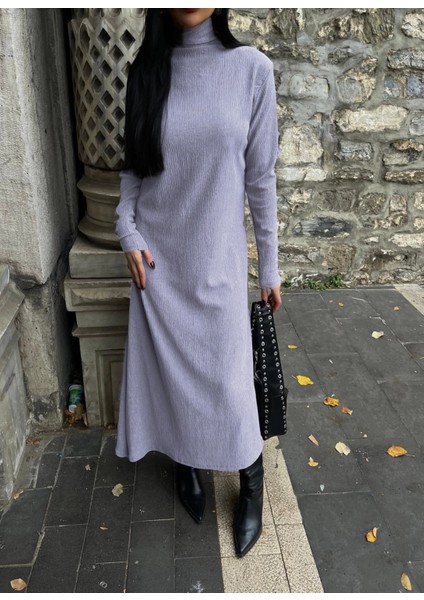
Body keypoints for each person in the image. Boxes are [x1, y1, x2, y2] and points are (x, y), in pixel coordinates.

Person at [114, 8, 282, 558]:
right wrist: (126, 230)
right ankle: (185, 460)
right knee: (174, 380)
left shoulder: (252, 69)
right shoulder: (145, 72)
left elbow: (261, 178)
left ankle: (251, 478)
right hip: (158, 264)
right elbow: (133, 169)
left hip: (219, 264)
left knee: (229, 383)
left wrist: (270, 266)